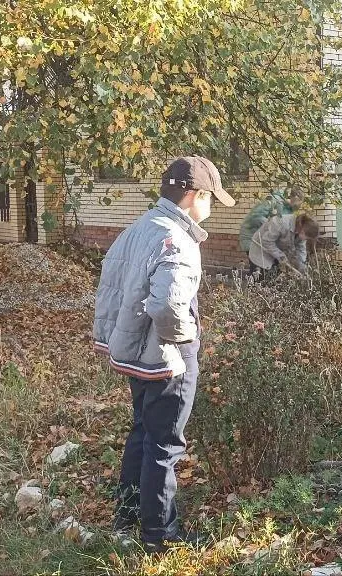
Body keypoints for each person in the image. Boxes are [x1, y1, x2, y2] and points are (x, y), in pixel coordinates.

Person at [92, 156, 237, 550]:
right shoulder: (178, 240)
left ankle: (127, 518)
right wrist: (187, 339)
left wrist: (112, 340)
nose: (211, 208)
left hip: (134, 353)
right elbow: (167, 307)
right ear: (195, 195)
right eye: (211, 199)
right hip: (166, 357)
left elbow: (110, 289)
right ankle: (160, 536)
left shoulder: (138, 228)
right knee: (165, 444)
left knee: (142, 431)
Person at [247, 212, 320, 280]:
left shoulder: (301, 231)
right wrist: (281, 256)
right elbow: (266, 241)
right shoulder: (280, 222)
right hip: (260, 253)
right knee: (260, 282)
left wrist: (302, 267)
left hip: (275, 255)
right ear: (303, 230)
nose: (306, 240)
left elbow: (301, 249)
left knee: (273, 283)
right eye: (307, 237)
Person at [237, 189, 293, 254]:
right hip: (250, 239)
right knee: (258, 262)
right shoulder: (270, 201)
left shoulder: (285, 206)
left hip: (258, 241)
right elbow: (256, 217)